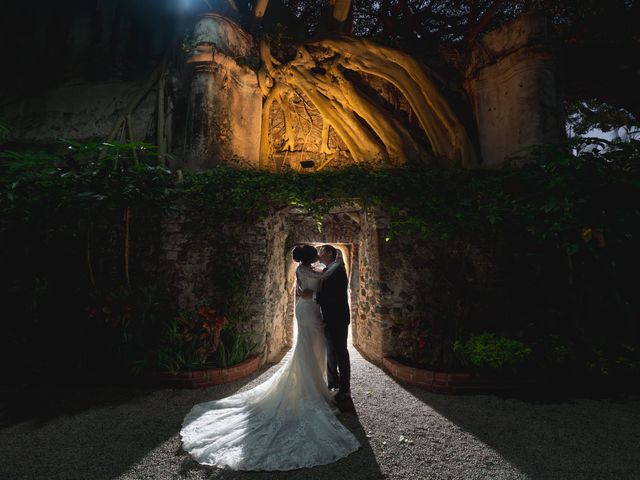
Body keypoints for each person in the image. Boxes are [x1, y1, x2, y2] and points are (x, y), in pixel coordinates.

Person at [180, 244, 360, 470]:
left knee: (317, 349)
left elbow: (322, 279)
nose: (317, 256)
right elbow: (312, 287)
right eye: (315, 254)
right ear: (308, 258)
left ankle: (318, 384)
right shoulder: (304, 271)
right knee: (307, 348)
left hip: (312, 311)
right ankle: (311, 388)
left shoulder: (313, 268)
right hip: (307, 311)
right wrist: (328, 274)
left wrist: (327, 275)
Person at [316, 244, 351, 400]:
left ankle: (344, 388)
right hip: (331, 318)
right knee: (331, 351)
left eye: (321, 252)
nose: (318, 254)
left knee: (341, 352)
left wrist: (316, 297)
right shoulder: (329, 270)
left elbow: (334, 297)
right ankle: (332, 384)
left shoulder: (337, 270)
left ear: (330, 253)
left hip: (337, 318)